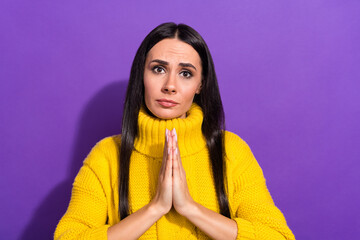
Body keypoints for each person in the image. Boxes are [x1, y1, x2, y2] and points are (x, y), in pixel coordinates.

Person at [54, 22, 295, 240]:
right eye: (158, 69)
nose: (170, 85)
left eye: (186, 73)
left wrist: (189, 207)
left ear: (200, 84)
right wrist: (155, 208)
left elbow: (278, 236)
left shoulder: (231, 151)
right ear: (141, 76)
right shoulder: (107, 155)